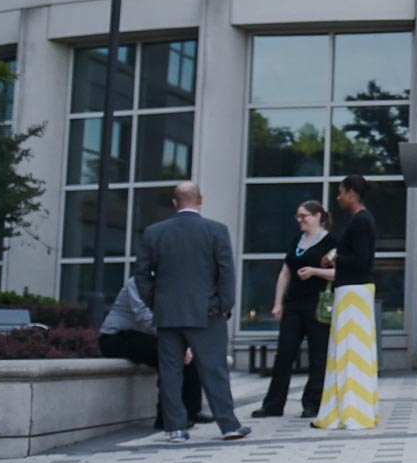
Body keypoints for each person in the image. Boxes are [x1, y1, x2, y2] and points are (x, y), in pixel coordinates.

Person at [133, 182, 251, 443]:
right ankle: (228, 425)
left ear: (175, 203)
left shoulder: (154, 233)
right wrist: (223, 306)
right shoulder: (216, 231)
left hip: (168, 314)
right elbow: (226, 273)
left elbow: (141, 274)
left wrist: (155, 302)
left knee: (170, 372)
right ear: (200, 200)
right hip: (206, 313)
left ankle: (175, 428)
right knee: (214, 370)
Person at [252, 200, 336, 419]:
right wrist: (278, 302)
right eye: (297, 216)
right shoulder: (296, 241)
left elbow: (339, 273)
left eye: (304, 216)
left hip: (316, 303)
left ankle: (313, 403)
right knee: (285, 353)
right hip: (293, 304)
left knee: (319, 354)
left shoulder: (331, 241)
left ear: (317, 216)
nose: (300, 220)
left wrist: (315, 271)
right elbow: (285, 273)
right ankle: (273, 404)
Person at [312, 174, 380, 430]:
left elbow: (362, 259)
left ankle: (353, 412)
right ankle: (352, 409)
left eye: (341, 192)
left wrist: (335, 257)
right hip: (353, 290)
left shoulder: (361, 221)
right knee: (350, 351)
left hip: (354, 290)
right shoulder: (361, 220)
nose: (338, 197)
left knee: (351, 352)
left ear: (352, 193)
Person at [98, 276, 206, 429]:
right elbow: (144, 317)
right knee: (170, 354)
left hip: (145, 336)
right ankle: (166, 418)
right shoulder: (137, 282)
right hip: (116, 336)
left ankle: (192, 410)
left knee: (190, 353)